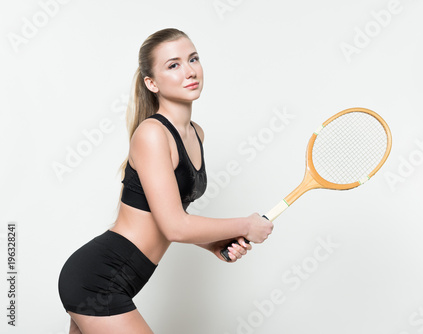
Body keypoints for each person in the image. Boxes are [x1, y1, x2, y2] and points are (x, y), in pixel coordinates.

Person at [58, 28, 273, 334]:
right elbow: (175, 226)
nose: (189, 71)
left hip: (122, 279)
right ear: (151, 82)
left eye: (193, 59)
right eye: (173, 65)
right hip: (98, 279)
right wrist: (246, 225)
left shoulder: (196, 133)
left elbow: (168, 215)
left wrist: (212, 244)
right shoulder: (152, 134)